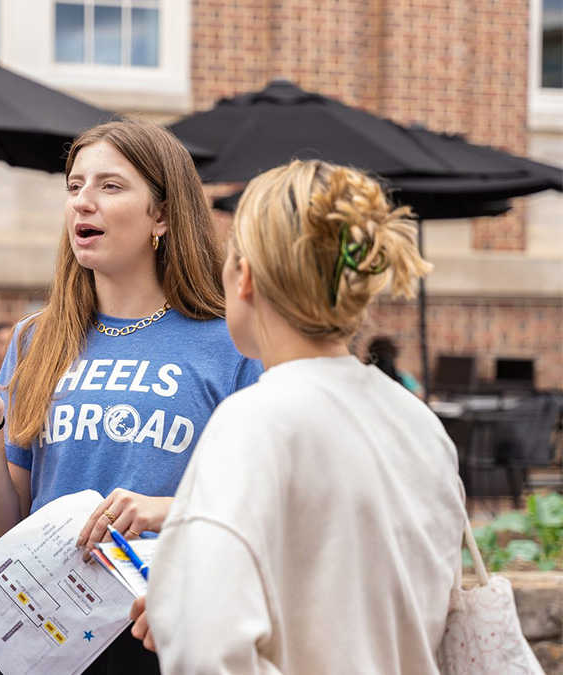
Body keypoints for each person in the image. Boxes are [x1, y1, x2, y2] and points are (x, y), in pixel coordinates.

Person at [0, 120, 262, 674]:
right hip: (46, 636)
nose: (83, 203)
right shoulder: (36, 338)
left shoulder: (232, 340)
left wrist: (169, 512)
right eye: (75, 186)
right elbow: (6, 533)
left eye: (110, 186)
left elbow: (264, 509)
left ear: (163, 215)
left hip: (166, 629)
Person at [128, 160, 467, 673]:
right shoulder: (418, 424)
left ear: (244, 277)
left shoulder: (254, 422)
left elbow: (207, 649)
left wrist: (180, 612)